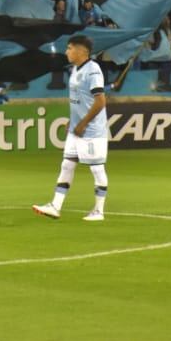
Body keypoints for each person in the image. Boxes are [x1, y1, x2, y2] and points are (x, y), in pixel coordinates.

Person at [33, 35, 108, 222]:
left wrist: (83, 123)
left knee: (97, 169)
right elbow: (80, 99)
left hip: (92, 131)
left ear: (82, 51)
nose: (66, 51)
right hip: (76, 129)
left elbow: (100, 101)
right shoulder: (75, 69)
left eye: (69, 48)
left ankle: (99, 211)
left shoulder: (93, 71)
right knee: (67, 165)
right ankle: (55, 206)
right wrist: (73, 120)